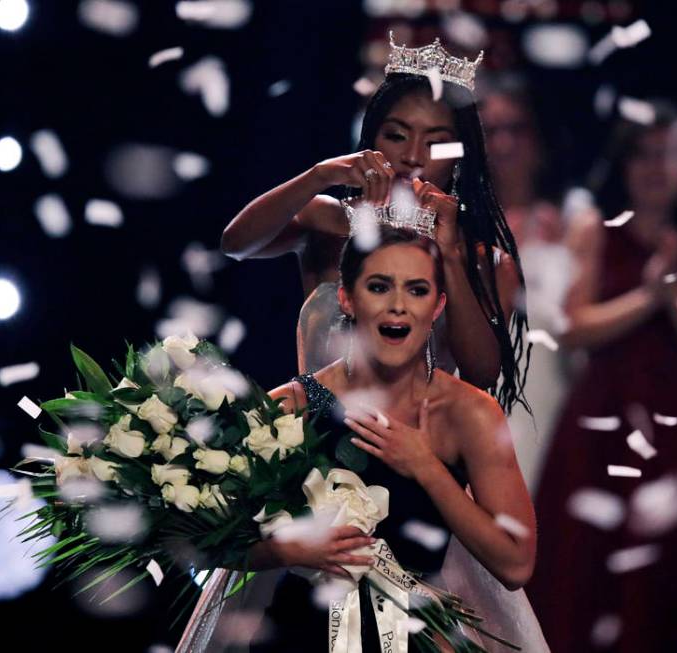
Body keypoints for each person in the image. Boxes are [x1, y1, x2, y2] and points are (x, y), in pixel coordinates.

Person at [179, 228, 546, 651]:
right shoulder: (290, 406)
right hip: (299, 637)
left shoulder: (470, 413)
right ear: (347, 299)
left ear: (438, 305)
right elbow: (208, 544)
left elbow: (516, 563)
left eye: (417, 289)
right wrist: (289, 549)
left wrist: (426, 467)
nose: (397, 306)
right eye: (379, 286)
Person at [221, 32, 530, 413]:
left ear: (459, 158)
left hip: (417, 450)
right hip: (314, 450)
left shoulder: (484, 259)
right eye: (397, 136)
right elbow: (234, 244)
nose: (413, 156)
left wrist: (448, 253)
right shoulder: (327, 220)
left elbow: (482, 374)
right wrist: (317, 175)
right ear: (370, 139)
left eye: (435, 144)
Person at [525, 105, 677, 652]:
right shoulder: (595, 227)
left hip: (676, 417)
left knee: (674, 562)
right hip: (605, 413)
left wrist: (674, 290)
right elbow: (571, 326)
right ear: (625, 163)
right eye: (644, 153)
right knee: (589, 564)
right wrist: (649, 295)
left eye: (669, 154)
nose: (656, 167)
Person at [479, 73, 572, 489]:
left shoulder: (572, 223)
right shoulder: (459, 225)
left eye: (515, 128)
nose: (504, 144)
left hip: (559, 390)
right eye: (491, 131)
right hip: (481, 394)